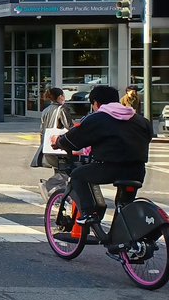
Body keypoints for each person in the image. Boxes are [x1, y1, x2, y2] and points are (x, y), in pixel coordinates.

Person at [51, 85, 154, 228]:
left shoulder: (98, 118)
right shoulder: (140, 120)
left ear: (96, 103)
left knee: (77, 176)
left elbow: (74, 139)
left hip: (109, 168)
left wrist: (58, 141)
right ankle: (120, 243)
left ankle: (89, 213)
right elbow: (147, 138)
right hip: (137, 170)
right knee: (124, 205)